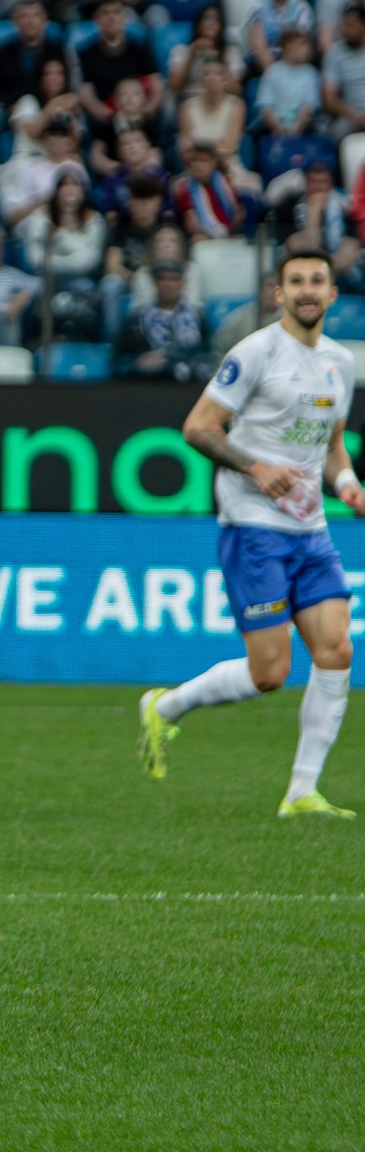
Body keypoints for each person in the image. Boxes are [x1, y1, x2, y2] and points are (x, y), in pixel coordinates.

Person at [139, 250, 361, 818]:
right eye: (296, 282)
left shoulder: (341, 363)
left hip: (309, 530)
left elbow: (331, 448)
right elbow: (197, 428)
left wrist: (350, 483)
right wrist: (254, 468)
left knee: (336, 651)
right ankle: (165, 708)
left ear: (333, 294)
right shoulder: (255, 353)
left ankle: (301, 792)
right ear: (278, 292)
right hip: (254, 527)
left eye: (317, 281)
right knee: (271, 673)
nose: (307, 290)